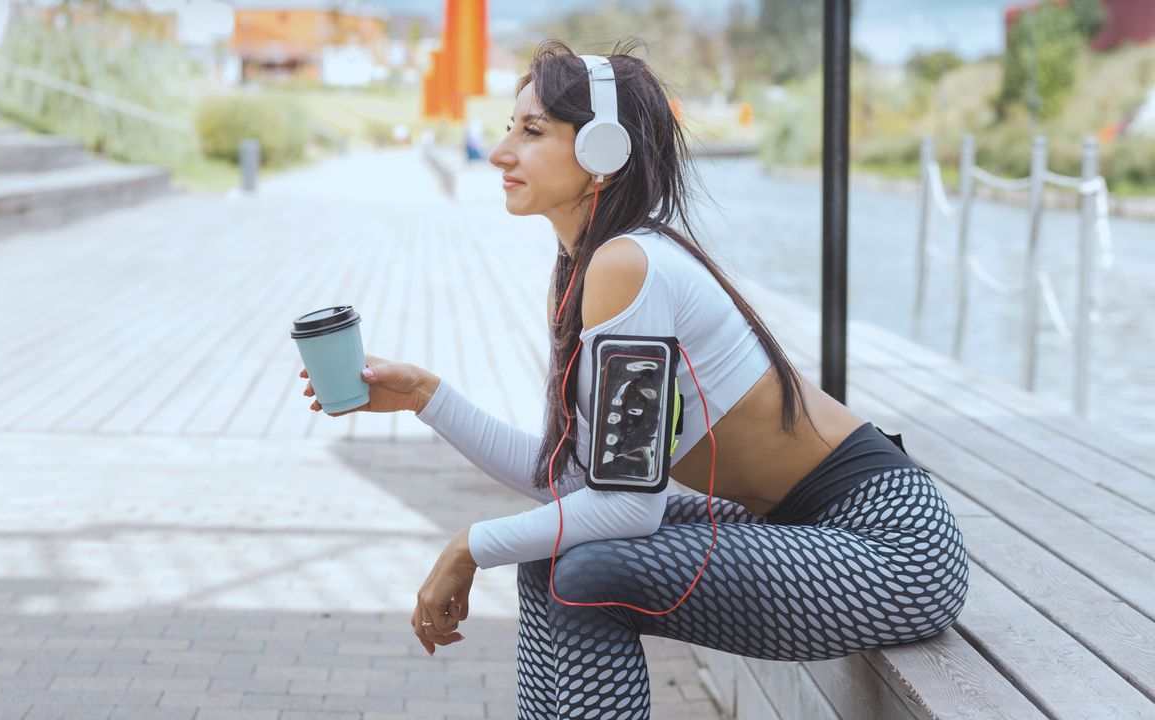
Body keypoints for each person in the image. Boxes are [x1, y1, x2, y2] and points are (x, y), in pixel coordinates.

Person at [300, 37, 969, 720]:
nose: (502, 152)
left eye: (532, 131)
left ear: (601, 153)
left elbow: (629, 509)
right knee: (555, 545)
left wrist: (469, 545)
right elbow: (573, 483)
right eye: (510, 129)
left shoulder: (628, 267)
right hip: (809, 529)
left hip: (893, 551)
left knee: (587, 568)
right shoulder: (588, 269)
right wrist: (422, 397)